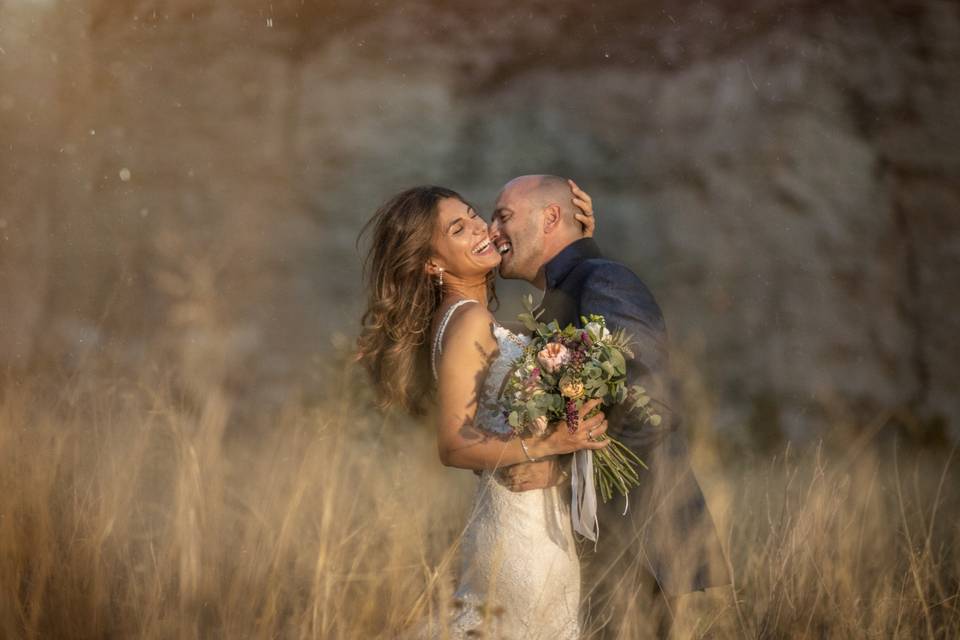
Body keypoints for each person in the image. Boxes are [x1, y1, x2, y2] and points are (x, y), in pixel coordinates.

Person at [356, 182, 602, 639]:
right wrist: (550, 443)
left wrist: (577, 243)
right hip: (517, 532)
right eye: (458, 229)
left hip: (523, 516)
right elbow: (453, 445)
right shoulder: (467, 318)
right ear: (433, 263)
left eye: (474, 216)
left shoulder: (465, 315)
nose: (479, 230)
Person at [491, 175, 731, 639]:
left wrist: (564, 473)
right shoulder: (569, 287)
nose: (491, 228)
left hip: (638, 543)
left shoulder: (604, 278)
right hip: (606, 545)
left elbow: (652, 403)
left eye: (503, 216)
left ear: (551, 217)